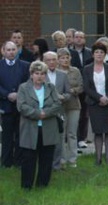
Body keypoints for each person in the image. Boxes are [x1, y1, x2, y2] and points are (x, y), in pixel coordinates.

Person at [17, 60, 62, 189]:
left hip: (48, 128)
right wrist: (37, 114)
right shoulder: (23, 88)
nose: (39, 76)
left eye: (42, 73)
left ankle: (42, 185)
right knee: (28, 159)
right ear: (31, 74)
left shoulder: (50, 87)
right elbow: (21, 106)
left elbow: (57, 104)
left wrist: (45, 113)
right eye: (37, 73)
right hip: (30, 128)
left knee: (46, 158)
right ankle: (26, 186)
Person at [82, 41, 108, 166]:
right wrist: (99, 98)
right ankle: (98, 159)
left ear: (105, 54)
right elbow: (87, 88)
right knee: (98, 132)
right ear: (92, 54)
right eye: (96, 52)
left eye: (101, 52)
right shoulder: (87, 69)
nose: (99, 54)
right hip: (94, 104)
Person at [0, 40, 30, 167]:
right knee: (6, 135)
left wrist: (19, 94)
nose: (11, 52)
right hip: (5, 105)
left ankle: (19, 161)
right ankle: (6, 162)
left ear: (17, 51)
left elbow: (28, 82)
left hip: (20, 105)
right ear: (3, 51)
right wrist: (7, 94)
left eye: (13, 49)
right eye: (8, 50)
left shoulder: (25, 65)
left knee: (20, 134)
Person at [42, 51, 71, 171]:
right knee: (45, 139)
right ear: (44, 61)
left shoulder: (63, 75)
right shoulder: (39, 75)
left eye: (54, 59)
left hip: (59, 112)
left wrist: (63, 97)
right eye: (48, 60)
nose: (51, 62)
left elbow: (69, 93)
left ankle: (57, 165)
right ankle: (44, 164)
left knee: (59, 140)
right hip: (44, 111)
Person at [57, 48, 82, 169]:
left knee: (72, 133)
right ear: (58, 59)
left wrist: (74, 90)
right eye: (62, 58)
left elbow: (81, 86)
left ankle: (73, 159)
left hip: (73, 105)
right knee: (61, 133)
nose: (65, 60)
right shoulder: (56, 72)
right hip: (60, 105)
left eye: (67, 57)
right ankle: (61, 159)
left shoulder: (75, 71)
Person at [71, 31, 92, 150]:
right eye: (77, 37)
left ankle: (81, 138)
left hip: (86, 87)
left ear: (84, 39)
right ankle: (72, 138)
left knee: (84, 114)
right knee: (73, 113)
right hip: (73, 87)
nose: (79, 39)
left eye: (81, 37)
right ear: (73, 39)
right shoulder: (69, 52)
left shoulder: (89, 53)